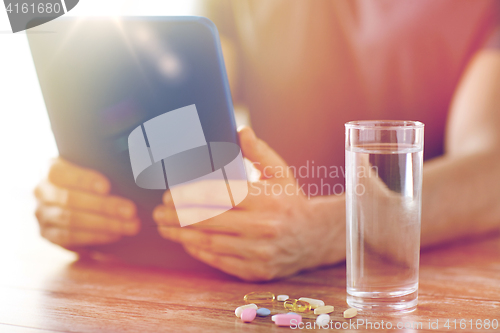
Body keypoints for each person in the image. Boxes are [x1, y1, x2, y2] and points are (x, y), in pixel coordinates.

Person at [34, 0, 500, 281]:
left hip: (411, 284)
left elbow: (491, 168)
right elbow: (184, 94)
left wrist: (330, 230)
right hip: (261, 272)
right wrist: (92, 183)